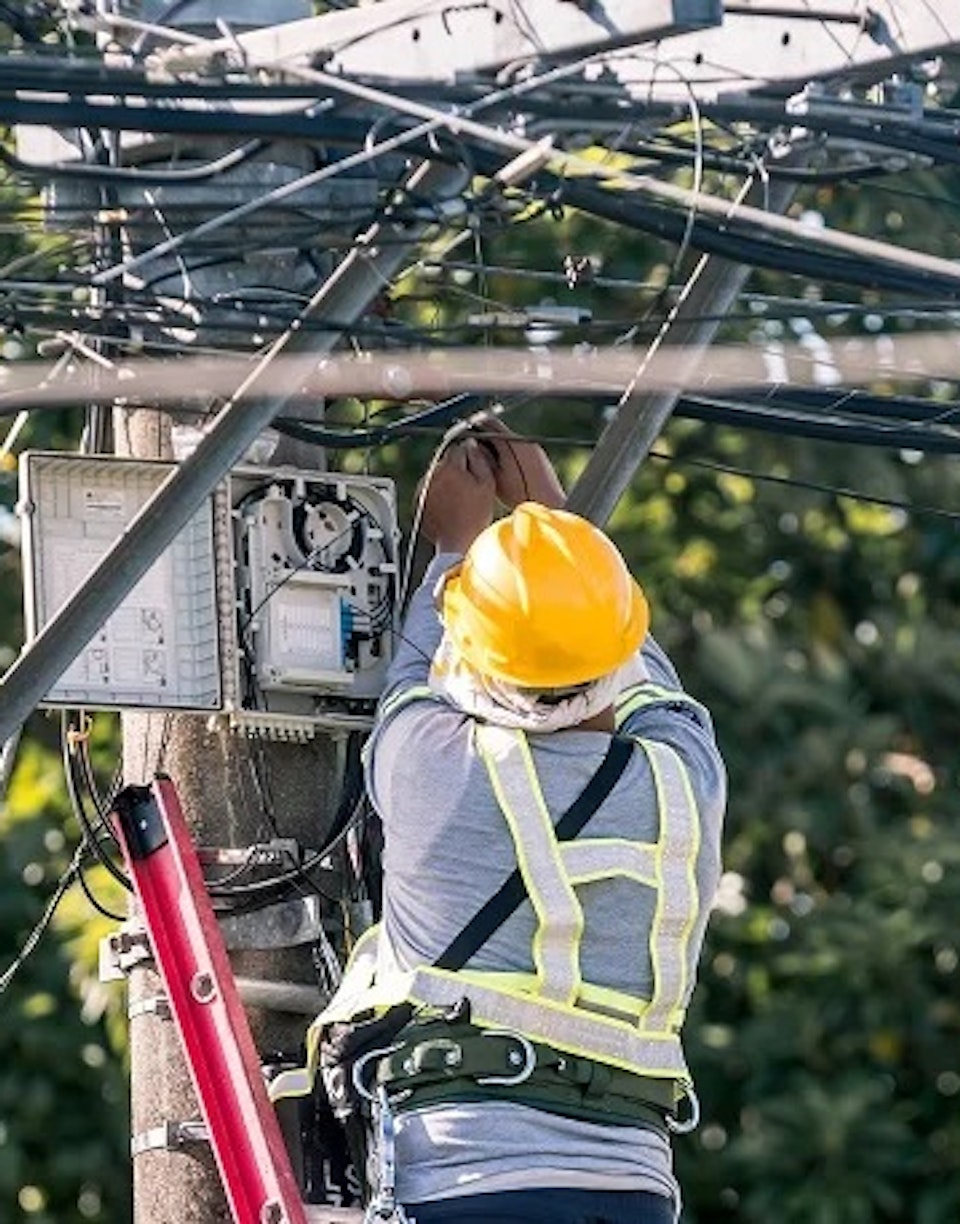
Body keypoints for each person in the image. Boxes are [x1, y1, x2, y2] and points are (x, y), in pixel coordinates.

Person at [314, 420, 726, 1224]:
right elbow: (636, 666)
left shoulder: (434, 767)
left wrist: (453, 548)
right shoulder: (687, 778)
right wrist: (561, 533)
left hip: (468, 1185)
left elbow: (414, 676)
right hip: (634, 1194)